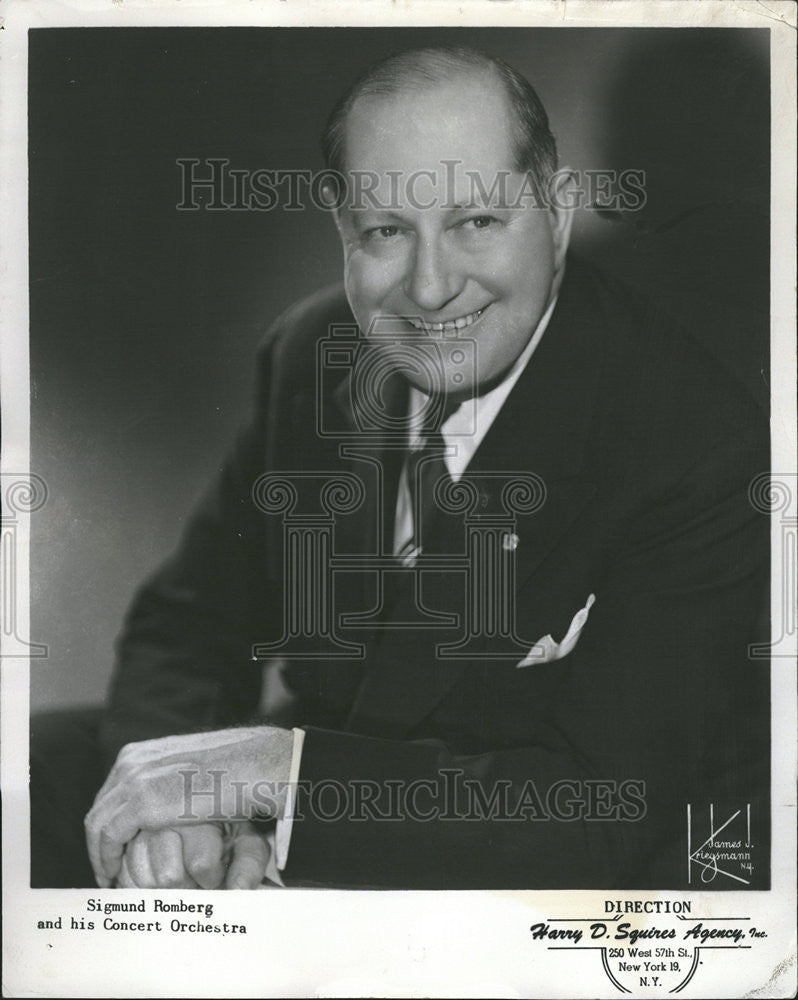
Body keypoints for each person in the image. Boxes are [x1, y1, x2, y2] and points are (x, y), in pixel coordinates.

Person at [31, 45, 769, 890]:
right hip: (283, 823)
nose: (427, 288)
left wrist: (277, 778)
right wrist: (190, 804)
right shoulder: (316, 352)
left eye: (477, 223)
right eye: (385, 231)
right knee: (33, 769)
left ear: (559, 217)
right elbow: (189, 623)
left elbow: (605, 812)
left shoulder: (697, 441)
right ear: (342, 231)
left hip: (511, 877)